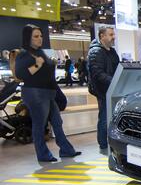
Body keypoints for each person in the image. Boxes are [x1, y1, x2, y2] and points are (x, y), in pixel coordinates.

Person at [14, 24, 80, 162]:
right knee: (40, 124)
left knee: (57, 122)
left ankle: (66, 150)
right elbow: (20, 75)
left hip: (48, 93)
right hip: (35, 93)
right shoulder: (23, 54)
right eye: (36, 36)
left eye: (41, 36)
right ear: (28, 38)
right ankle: (43, 155)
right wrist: (37, 64)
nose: (40, 39)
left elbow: (49, 74)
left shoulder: (41, 52)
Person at [87, 26, 120, 152]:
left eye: (113, 34)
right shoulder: (96, 51)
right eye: (111, 35)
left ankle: (110, 142)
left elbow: (118, 67)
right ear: (102, 36)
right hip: (102, 90)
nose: (114, 37)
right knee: (105, 117)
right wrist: (114, 82)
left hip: (112, 88)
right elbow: (97, 73)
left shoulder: (112, 51)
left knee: (111, 116)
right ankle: (103, 144)